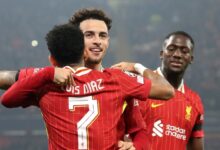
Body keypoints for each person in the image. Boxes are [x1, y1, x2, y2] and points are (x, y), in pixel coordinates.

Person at [1, 24, 174, 149]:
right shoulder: (117, 79)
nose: (97, 41)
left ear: (52, 59)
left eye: (102, 35)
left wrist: (46, 73)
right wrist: (136, 66)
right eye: (90, 35)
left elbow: (7, 99)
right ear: (84, 51)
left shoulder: (44, 84)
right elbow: (167, 91)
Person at [114, 31, 205, 150]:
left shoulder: (195, 100)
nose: (177, 54)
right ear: (162, 54)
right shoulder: (138, 87)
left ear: (191, 58)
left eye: (184, 51)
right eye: (171, 49)